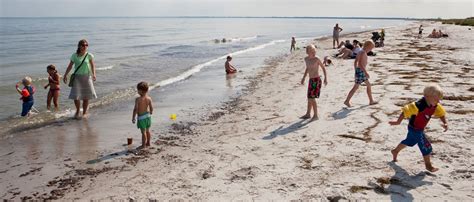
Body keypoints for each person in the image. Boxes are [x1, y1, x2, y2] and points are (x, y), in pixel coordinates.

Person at [389, 84, 448, 172]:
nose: (438, 101)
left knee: (409, 141)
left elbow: (441, 113)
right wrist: (398, 122)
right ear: (427, 96)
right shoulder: (418, 105)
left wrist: (445, 122)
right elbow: (405, 110)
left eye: (439, 99)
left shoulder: (435, 105)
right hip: (415, 129)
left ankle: (395, 151)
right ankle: (428, 165)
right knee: (425, 146)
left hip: (418, 129)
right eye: (436, 99)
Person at [63, 39, 97, 119]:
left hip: (87, 77)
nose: (85, 47)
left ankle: (84, 112)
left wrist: (94, 74)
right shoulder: (74, 55)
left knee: (86, 96)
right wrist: (65, 75)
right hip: (77, 77)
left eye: (86, 45)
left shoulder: (89, 55)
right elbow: (70, 66)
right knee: (76, 96)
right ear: (79, 46)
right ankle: (78, 110)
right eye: (83, 45)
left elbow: (92, 66)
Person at [343, 40, 376, 107]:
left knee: (367, 85)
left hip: (359, 71)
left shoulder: (360, 51)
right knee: (356, 87)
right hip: (361, 72)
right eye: (371, 48)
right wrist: (365, 72)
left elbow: (355, 62)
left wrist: (356, 71)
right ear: (367, 47)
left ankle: (371, 100)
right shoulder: (363, 53)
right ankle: (347, 101)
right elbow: (360, 64)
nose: (371, 50)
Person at [300, 44, 328, 121]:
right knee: (309, 98)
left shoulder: (316, 59)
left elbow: (323, 68)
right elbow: (307, 68)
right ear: (307, 52)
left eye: (314, 51)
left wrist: (325, 78)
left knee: (312, 98)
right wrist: (303, 78)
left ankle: (316, 115)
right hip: (311, 80)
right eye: (312, 51)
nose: (314, 52)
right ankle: (308, 114)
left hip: (316, 80)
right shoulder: (306, 59)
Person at [132, 82, 154, 148]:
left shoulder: (138, 99)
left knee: (143, 132)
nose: (137, 91)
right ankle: (148, 143)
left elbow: (135, 109)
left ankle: (143, 145)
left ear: (140, 91)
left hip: (141, 118)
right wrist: (151, 112)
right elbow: (151, 107)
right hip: (148, 116)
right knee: (147, 131)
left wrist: (133, 117)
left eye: (138, 90)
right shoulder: (149, 98)